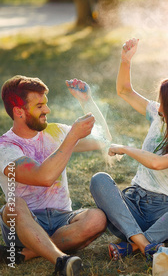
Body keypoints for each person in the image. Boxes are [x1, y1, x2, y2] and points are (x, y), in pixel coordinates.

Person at [90, 38, 168, 262]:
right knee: (99, 180)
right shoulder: (158, 114)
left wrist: (125, 148)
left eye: (164, 101)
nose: (159, 105)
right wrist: (125, 61)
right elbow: (125, 91)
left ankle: (135, 244)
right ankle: (146, 244)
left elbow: (157, 162)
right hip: (133, 207)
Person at [0, 76, 111, 275]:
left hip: (62, 219)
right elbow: (43, 177)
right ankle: (61, 260)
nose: (47, 110)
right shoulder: (5, 148)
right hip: (27, 224)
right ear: (19, 112)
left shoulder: (55, 131)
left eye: (46, 104)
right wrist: (72, 137)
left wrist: (87, 101)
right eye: (40, 106)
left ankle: (27, 254)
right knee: (14, 205)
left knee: (97, 218)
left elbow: (103, 140)